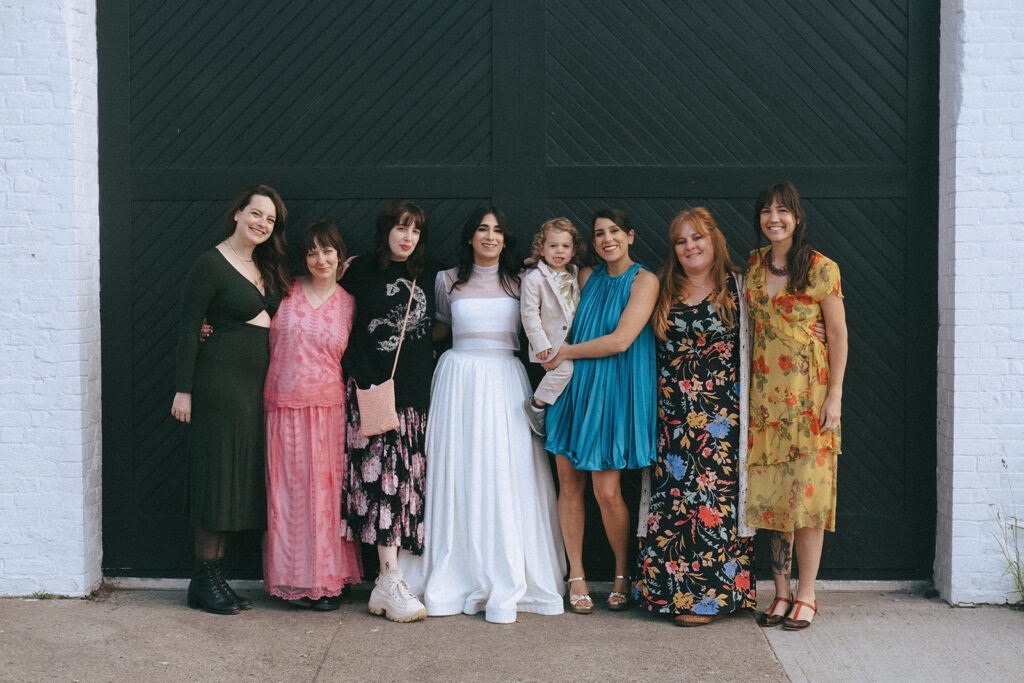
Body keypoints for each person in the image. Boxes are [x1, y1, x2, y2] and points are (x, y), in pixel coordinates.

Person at [400, 207, 566, 624]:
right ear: (470, 237)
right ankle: (455, 571)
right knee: (458, 469)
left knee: (504, 471)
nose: (489, 237)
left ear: (506, 239)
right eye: (481, 229)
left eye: (497, 231)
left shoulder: (524, 280)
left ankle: (506, 575)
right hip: (458, 379)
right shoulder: (446, 280)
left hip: (505, 379)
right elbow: (437, 328)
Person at [171, 184, 290, 614]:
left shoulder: (263, 264)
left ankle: (216, 579)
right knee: (214, 481)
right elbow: (188, 328)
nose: (261, 223)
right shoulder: (211, 264)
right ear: (237, 213)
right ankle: (201, 581)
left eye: (270, 220)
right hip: (218, 385)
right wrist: (183, 389)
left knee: (233, 483)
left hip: (253, 391)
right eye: (255, 214)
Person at [634, 207, 756, 626]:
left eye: (697, 238)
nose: (690, 246)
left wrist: (811, 331)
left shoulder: (739, 286)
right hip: (672, 418)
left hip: (723, 419)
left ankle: (710, 598)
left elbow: (776, 323)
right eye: (681, 241)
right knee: (674, 503)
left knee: (715, 502)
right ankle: (670, 596)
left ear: (713, 240)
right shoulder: (660, 288)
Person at [544, 209, 659, 614]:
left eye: (614, 231)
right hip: (574, 393)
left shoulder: (645, 280)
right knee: (569, 486)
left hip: (612, 392)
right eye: (598, 234)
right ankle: (575, 573)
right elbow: (550, 277)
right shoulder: (586, 277)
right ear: (591, 244)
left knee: (607, 491)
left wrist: (565, 352)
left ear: (630, 235)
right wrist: (537, 264)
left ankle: (622, 573)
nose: (607, 239)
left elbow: (622, 340)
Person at [745, 181, 848, 631]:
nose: (774, 218)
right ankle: (780, 592)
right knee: (773, 501)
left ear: (797, 217)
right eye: (767, 211)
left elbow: (839, 334)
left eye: (783, 211)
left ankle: (807, 593)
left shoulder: (822, 268)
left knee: (806, 500)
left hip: (809, 401)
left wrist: (836, 395)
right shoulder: (751, 265)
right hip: (765, 404)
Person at [341, 200, 434, 623]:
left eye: (414, 230)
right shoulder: (358, 271)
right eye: (400, 228)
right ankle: (391, 577)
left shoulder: (428, 273)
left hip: (414, 399)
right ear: (386, 231)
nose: (407, 237)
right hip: (374, 395)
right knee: (385, 488)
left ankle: (385, 584)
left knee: (405, 490)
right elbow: (320, 301)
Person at [262, 220, 362, 610]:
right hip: (282, 406)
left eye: (328, 251)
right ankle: (293, 581)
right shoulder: (283, 292)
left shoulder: (350, 303)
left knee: (324, 498)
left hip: (328, 410)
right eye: (312, 252)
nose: (321, 259)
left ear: (340, 255)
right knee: (287, 496)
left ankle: (326, 580)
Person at [520, 217, 584, 437]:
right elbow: (529, 313)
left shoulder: (575, 273)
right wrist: (540, 343)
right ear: (541, 248)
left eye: (565, 246)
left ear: (573, 250)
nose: (559, 251)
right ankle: (537, 404)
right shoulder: (535, 278)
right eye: (553, 245)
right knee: (565, 370)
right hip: (550, 342)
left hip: (575, 339)